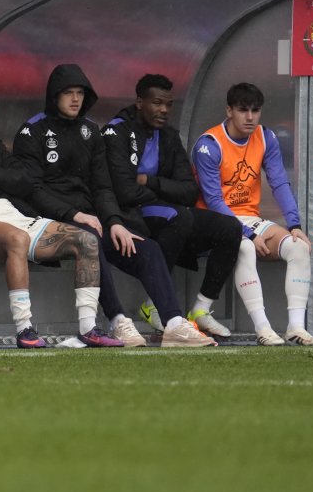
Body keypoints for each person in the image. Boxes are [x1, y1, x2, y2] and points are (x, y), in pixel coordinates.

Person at [13, 64, 215, 347]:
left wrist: (115, 222)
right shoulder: (32, 131)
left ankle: (174, 323)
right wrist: (74, 214)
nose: (76, 99)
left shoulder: (90, 130)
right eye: (68, 93)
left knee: (147, 248)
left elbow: (102, 186)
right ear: (54, 95)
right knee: (90, 240)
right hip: (51, 219)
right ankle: (118, 321)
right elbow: (32, 190)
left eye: (80, 93)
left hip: (92, 218)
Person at [0, 86, 122, 349]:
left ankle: (88, 328)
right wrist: (2, 184)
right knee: (17, 239)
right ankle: (24, 328)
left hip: (17, 216)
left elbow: (23, 181)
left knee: (86, 240)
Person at [100, 74, 244, 338]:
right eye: (157, 103)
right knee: (180, 216)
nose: (164, 110)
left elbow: (189, 190)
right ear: (139, 102)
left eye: (168, 104)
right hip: (129, 213)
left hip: (163, 208)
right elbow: (123, 190)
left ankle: (201, 309)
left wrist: (150, 181)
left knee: (230, 227)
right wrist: (161, 190)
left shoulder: (168, 135)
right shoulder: (116, 132)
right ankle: (156, 303)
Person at [193, 83, 313, 345]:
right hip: (213, 220)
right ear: (229, 110)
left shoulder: (266, 137)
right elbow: (214, 200)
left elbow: (279, 182)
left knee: (299, 247)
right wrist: (248, 234)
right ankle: (263, 328)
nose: (250, 117)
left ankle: (296, 328)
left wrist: (295, 224)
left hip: (249, 218)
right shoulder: (209, 144)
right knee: (245, 247)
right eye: (243, 110)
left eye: (255, 110)